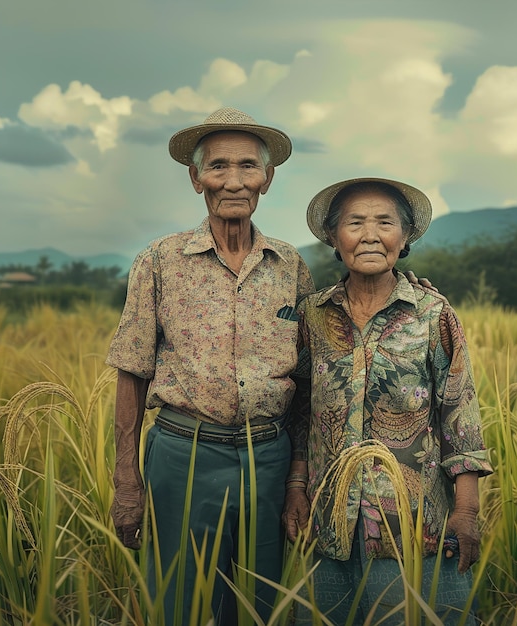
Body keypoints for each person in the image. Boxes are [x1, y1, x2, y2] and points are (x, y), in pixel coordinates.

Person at [105, 107, 314, 625]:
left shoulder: (289, 265)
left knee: (261, 604)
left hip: (269, 455)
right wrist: (127, 480)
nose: (234, 181)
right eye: (218, 166)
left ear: (269, 177)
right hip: (183, 455)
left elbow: (309, 381)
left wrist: (296, 480)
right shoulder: (160, 260)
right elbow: (131, 369)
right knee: (180, 602)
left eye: (248, 166)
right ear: (195, 177)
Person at [283, 177, 493, 625]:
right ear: (335, 240)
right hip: (329, 520)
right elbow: (301, 412)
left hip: (413, 525)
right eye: (355, 223)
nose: (371, 234)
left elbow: (461, 415)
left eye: (385, 222)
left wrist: (467, 509)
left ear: (405, 236)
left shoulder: (433, 314)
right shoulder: (313, 316)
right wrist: (296, 488)